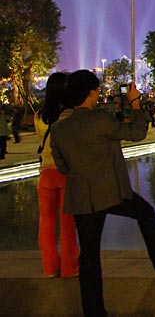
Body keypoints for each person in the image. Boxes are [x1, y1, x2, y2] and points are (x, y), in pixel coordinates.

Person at [50, 70, 155, 317]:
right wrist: (135, 103)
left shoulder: (59, 129)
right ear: (90, 92)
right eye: (96, 90)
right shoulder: (100, 120)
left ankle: (94, 312)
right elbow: (137, 132)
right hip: (111, 192)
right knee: (145, 213)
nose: (98, 94)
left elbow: (62, 166)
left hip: (82, 198)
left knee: (89, 257)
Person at [34, 71, 80, 278]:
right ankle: (70, 267)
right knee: (68, 224)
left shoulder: (38, 116)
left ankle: (50, 267)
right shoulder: (70, 115)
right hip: (65, 173)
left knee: (46, 222)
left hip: (45, 174)